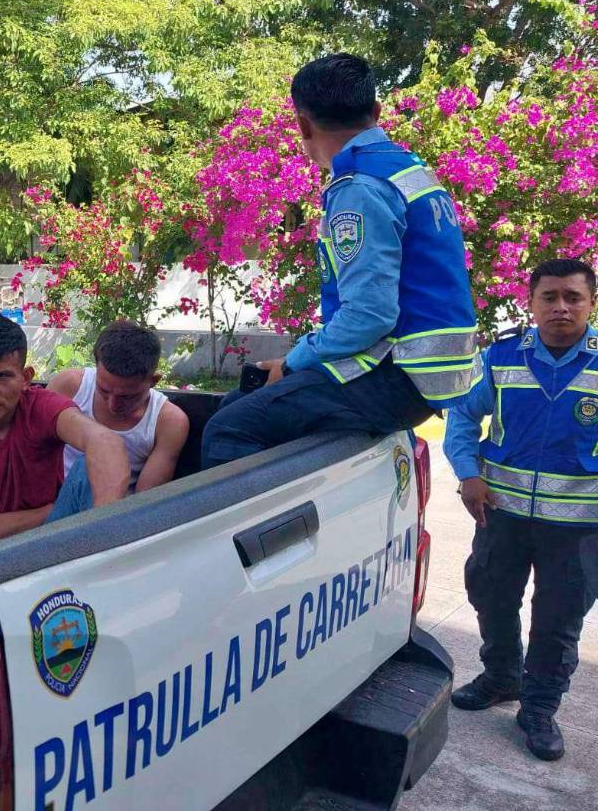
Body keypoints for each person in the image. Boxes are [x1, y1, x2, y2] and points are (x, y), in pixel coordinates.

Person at [201, 53, 480, 468]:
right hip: (428, 373)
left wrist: (294, 360)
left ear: (303, 124)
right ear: (377, 112)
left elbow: (370, 315)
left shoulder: (359, 187)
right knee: (243, 396)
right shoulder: (408, 169)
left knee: (229, 427)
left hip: (397, 373)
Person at [444, 258, 598, 762]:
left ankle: (538, 706)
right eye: (549, 297)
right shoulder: (502, 357)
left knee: (557, 619)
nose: (560, 307)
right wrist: (468, 475)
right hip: (501, 513)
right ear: (530, 304)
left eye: (572, 297)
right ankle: (501, 676)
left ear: (590, 303)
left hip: (578, 526)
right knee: (489, 593)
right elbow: (464, 418)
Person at [0, 312, 129, 550]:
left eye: (2, 376)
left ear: (25, 378)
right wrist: (54, 510)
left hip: (53, 532)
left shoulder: (39, 406)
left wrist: (103, 530)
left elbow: (105, 442)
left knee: (87, 464)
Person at [48, 320, 189, 492]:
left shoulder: (168, 421)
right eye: (103, 390)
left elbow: (143, 501)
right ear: (96, 368)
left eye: (128, 397)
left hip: (113, 509)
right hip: (53, 499)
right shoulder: (69, 386)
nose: (113, 405)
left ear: (154, 381)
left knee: (95, 462)